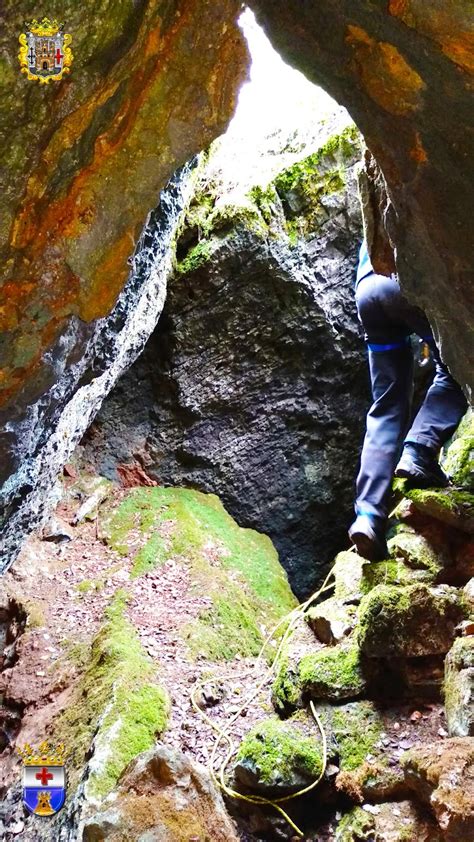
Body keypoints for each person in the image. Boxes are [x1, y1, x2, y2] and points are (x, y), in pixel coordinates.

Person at [348, 240, 468, 561]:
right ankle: (419, 452)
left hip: (368, 289)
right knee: (456, 371)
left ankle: (368, 516)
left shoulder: (377, 191)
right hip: (404, 285)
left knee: (386, 406)